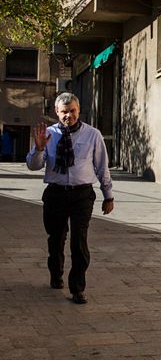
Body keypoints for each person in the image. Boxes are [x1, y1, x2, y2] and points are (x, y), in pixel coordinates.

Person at [26, 93, 114, 304]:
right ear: (57, 112)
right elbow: (33, 165)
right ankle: (56, 274)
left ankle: (77, 288)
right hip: (55, 194)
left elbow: (102, 167)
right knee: (55, 239)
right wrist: (39, 148)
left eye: (72, 111)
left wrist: (108, 195)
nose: (69, 116)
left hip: (82, 195)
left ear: (78, 110)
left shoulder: (92, 135)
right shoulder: (48, 134)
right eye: (64, 112)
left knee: (79, 241)